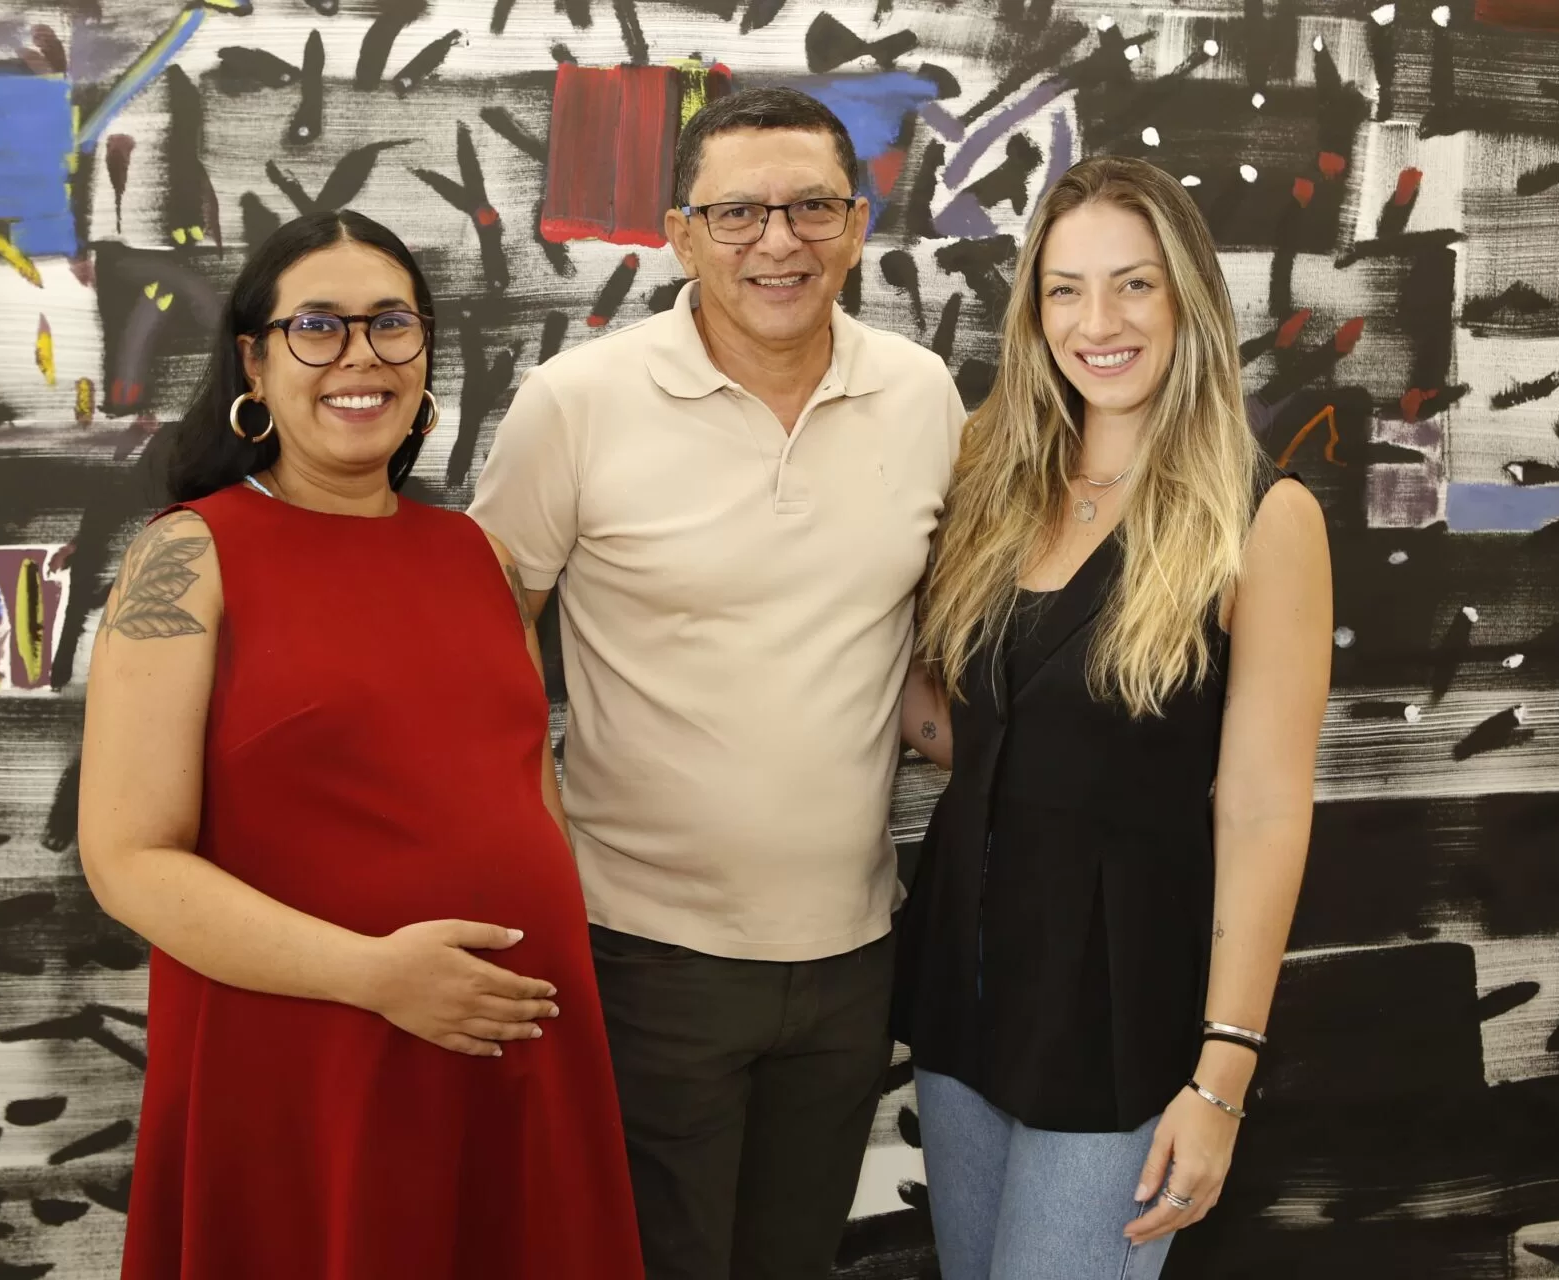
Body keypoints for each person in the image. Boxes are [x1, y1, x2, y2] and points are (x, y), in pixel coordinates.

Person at [78, 209, 643, 1280]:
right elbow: (127, 858)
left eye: (391, 323)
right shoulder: (188, 556)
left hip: (513, 1054)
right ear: (254, 361)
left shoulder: (477, 555)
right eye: (317, 326)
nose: (360, 355)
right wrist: (375, 974)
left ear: (425, 353)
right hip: (308, 1059)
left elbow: (529, 791)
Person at [468, 88, 965, 1279]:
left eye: (811, 208)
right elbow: (480, 645)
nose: (777, 241)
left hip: (855, 951)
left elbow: (917, 648)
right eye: (738, 212)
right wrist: (532, 856)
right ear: (681, 237)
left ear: (859, 226)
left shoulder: (923, 395)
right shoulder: (575, 404)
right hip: (644, 953)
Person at [893, 155, 1332, 1278]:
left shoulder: (1261, 515)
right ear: (1035, 314)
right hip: (965, 992)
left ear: (1188, 297)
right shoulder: (992, 483)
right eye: (1066, 289)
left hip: (1121, 1017)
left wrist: (1222, 1077)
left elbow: (1264, 809)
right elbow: (978, 735)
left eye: (1135, 284)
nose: (1099, 322)